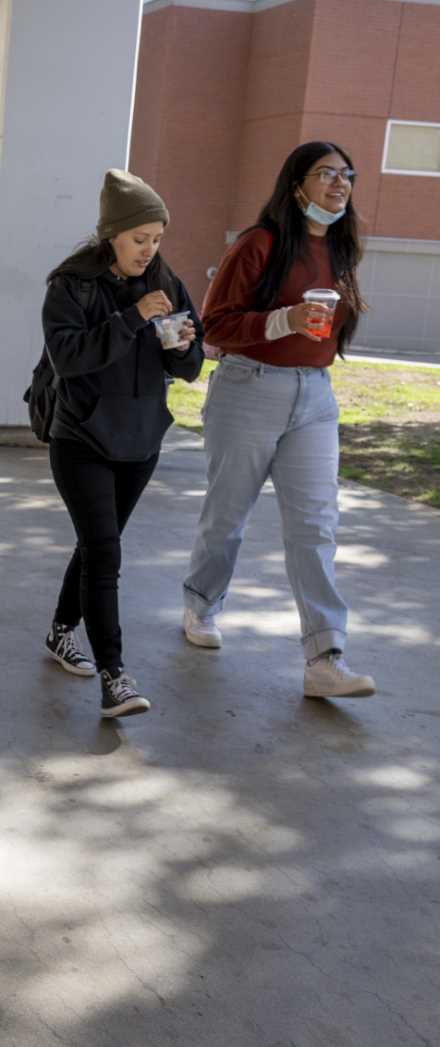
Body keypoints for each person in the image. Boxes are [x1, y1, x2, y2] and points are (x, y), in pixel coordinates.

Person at [182, 141, 375, 699]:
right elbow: (215, 325)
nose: (339, 184)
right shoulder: (258, 244)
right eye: (325, 174)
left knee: (316, 526)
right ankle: (200, 604)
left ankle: (325, 655)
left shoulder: (341, 249)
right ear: (296, 186)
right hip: (250, 388)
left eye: (347, 175)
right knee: (228, 515)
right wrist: (285, 319)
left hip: (315, 396)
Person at [42, 170, 204, 719]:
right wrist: (132, 317)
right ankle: (115, 677)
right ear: (112, 233)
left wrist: (182, 347)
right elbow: (69, 358)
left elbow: (189, 367)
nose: (149, 250)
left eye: (157, 240)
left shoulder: (167, 282)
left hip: (140, 441)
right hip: (81, 438)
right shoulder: (71, 284)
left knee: (96, 547)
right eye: (140, 239)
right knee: (106, 553)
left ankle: (62, 631)